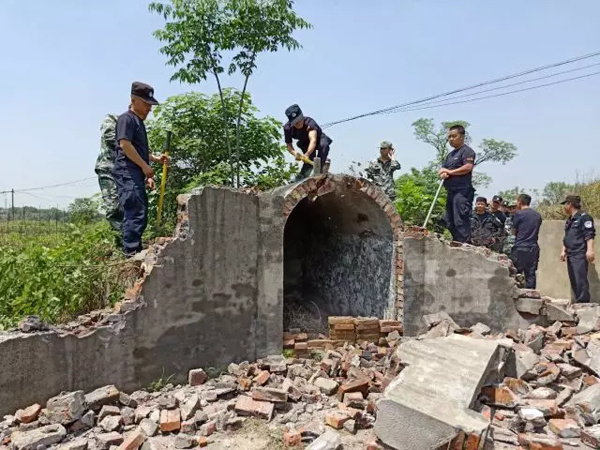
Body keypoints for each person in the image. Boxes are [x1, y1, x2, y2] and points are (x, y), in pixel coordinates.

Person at [113, 82, 168, 257]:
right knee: (135, 213)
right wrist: (145, 167)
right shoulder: (126, 119)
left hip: (135, 174)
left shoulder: (138, 123)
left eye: (150, 105)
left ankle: (134, 250)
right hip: (127, 173)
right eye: (146, 104)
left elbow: (138, 150)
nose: (149, 109)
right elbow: (125, 145)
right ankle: (131, 255)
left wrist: (154, 159)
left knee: (140, 212)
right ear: (133, 100)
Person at [438, 125, 476, 243]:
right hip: (451, 192)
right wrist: (442, 172)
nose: (451, 139)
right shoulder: (450, 155)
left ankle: (464, 245)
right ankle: (456, 243)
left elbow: (468, 167)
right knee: (449, 221)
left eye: (454, 136)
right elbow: (443, 169)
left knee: (460, 220)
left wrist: (450, 172)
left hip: (462, 192)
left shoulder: (467, 151)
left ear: (462, 136)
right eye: (449, 137)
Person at [561, 195, 596, 303]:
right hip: (570, 253)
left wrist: (590, 250)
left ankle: (583, 303)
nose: (564, 207)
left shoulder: (584, 217)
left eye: (565, 204)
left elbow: (589, 234)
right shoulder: (570, 220)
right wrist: (563, 250)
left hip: (579, 253)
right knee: (574, 279)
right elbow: (567, 236)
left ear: (570, 204)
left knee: (580, 278)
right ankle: (578, 302)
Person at [95, 113, 123, 245]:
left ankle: (127, 241)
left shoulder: (135, 127)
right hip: (108, 169)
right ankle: (120, 242)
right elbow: (112, 138)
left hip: (124, 171)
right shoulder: (112, 119)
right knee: (114, 207)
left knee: (127, 206)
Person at [284, 104, 332, 181]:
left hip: (318, 140)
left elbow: (313, 140)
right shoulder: (287, 128)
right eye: (295, 122)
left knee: (323, 146)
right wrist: (294, 153)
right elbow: (289, 146)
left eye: (299, 120)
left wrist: (307, 154)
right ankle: (303, 175)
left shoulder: (310, 122)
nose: (298, 123)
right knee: (309, 160)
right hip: (305, 143)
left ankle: (321, 168)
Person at [511, 194, 542, 289]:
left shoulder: (519, 214)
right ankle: (531, 294)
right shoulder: (537, 215)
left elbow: (513, 231)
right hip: (533, 247)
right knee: (531, 273)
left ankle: (516, 294)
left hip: (520, 247)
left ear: (520, 201)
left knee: (515, 272)